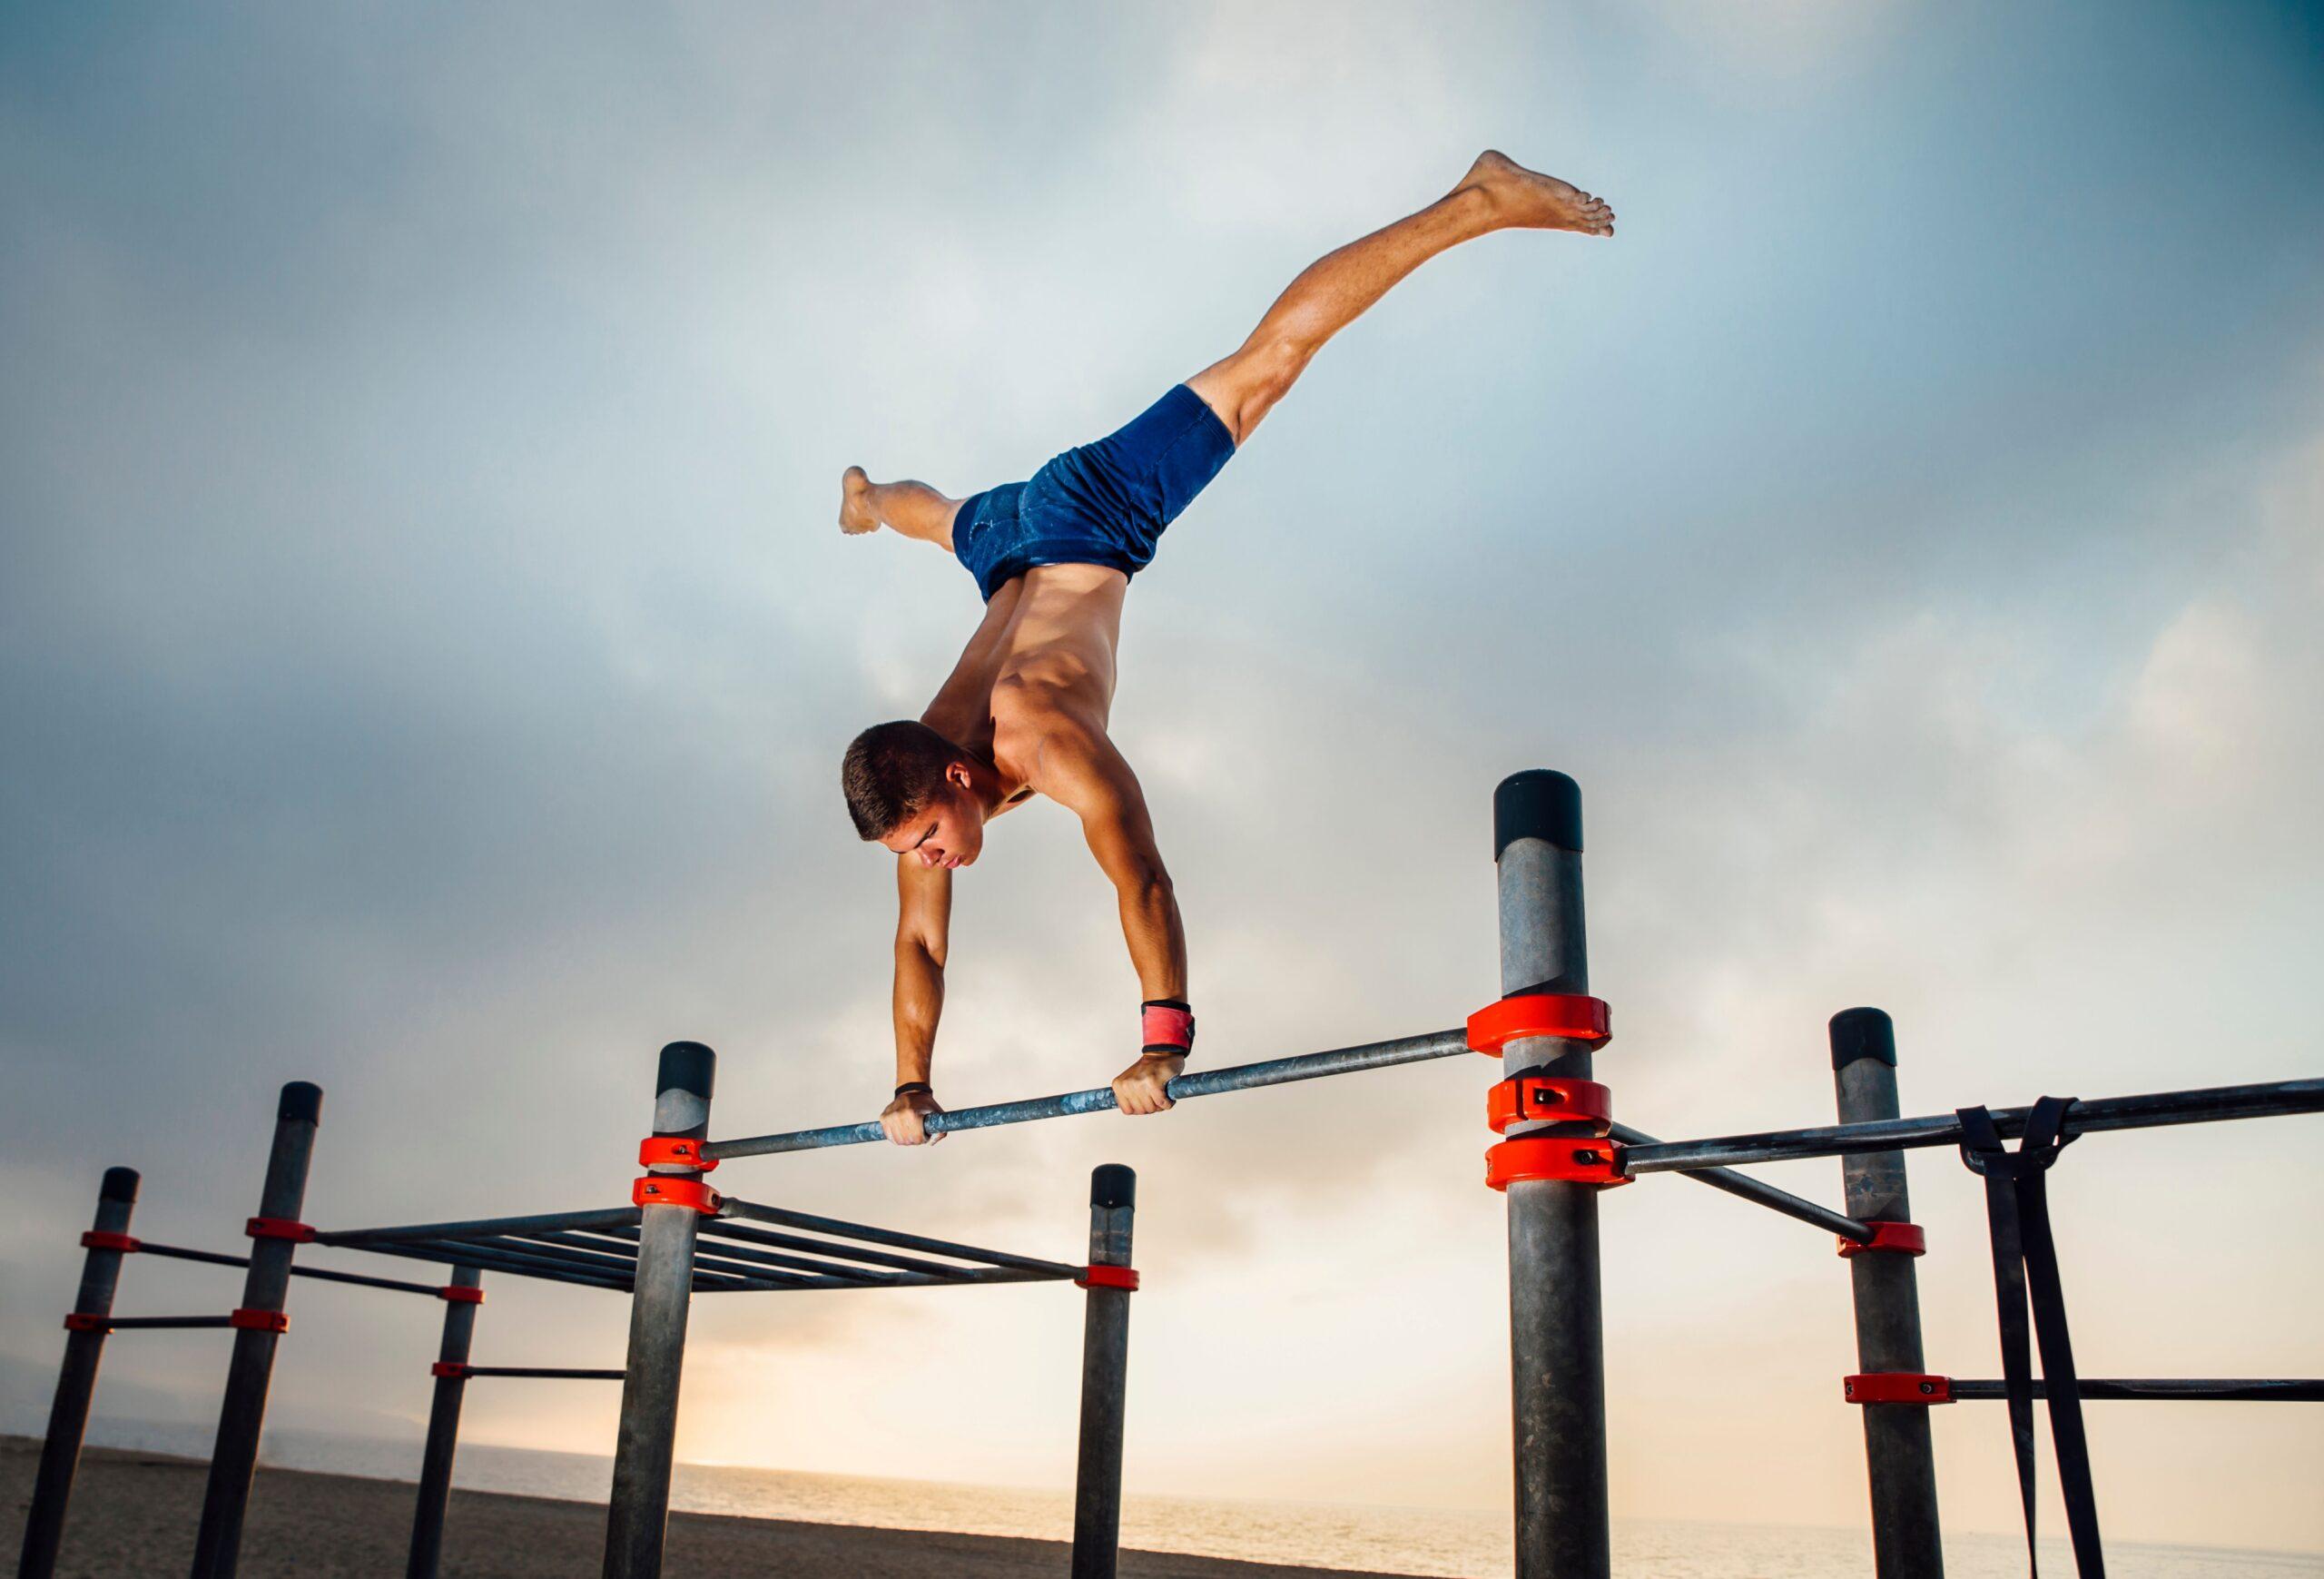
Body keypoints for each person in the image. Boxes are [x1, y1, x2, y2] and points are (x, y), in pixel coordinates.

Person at [838, 151, 1614, 1145]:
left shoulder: (1040, 736)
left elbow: (1142, 874)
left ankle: (1479, 199)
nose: (934, 859)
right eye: (917, 850)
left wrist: (1163, 1037)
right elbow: (918, 941)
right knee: (945, 518)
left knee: (1267, 366)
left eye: (928, 839)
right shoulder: (917, 790)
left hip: (1083, 520)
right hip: (1003, 549)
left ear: (953, 772)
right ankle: (866, 501)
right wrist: (909, 1084)